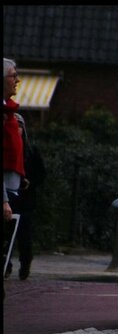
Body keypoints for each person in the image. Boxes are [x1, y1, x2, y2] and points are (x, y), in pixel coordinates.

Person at [5, 113, 46, 280]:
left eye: (20, 126)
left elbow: (41, 173)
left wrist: (31, 182)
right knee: (7, 235)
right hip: (10, 197)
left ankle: (25, 263)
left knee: (25, 235)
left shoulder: (31, 151)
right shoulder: (9, 148)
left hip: (26, 200)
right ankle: (6, 265)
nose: (18, 130)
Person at [3, 58, 25, 222]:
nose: (17, 80)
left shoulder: (11, 114)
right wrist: (4, 200)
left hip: (13, 190)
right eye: (13, 76)